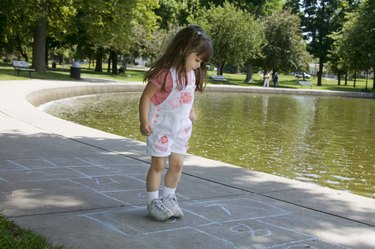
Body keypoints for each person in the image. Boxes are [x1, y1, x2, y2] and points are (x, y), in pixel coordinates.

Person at [139, 25, 213, 221]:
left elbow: (188, 95)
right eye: (197, 59)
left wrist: (191, 111)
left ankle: (169, 196)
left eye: (201, 61)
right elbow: (146, 97)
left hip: (181, 128)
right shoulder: (164, 74)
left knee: (178, 164)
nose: (198, 65)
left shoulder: (191, 73)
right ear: (184, 50)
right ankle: (153, 201)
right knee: (158, 164)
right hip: (161, 126)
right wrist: (143, 120)